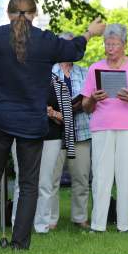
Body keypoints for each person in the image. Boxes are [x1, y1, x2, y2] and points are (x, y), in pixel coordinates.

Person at [0, 0, 105, 250]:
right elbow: (73, 50)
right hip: (31, 122)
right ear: (33, 14)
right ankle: (19, 244)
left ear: (8, 14)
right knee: (28, 185)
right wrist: (89, 33)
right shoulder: (44, 40)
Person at [81, 23, 128, 232]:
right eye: (107, 44)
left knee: (127, 175)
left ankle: (123, 225)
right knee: (101, 175)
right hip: (102, 126)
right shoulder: (95, 68)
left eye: (114, 44)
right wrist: (93, 99)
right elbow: (86, 106)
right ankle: (98, 225)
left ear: (124, 45)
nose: (110, 48)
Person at [11, 72, 74, 233]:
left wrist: (51, 113)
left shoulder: (58, 83)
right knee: (21, 181)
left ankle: (42, 226)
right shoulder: (18, 78)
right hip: (22, 136)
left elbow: (66, 118)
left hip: (50, 137)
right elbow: (9, 109)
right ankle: (18, 225)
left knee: (45, 183)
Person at [50, 32, 92, 229]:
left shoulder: (85, 73)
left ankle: (80, 217)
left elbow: (91, 101)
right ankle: (50, 220)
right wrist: (52, 112)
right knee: (51, 178)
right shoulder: (46, 72)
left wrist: (87, 101)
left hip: (81, 131)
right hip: (54, 133)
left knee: (82, 178)